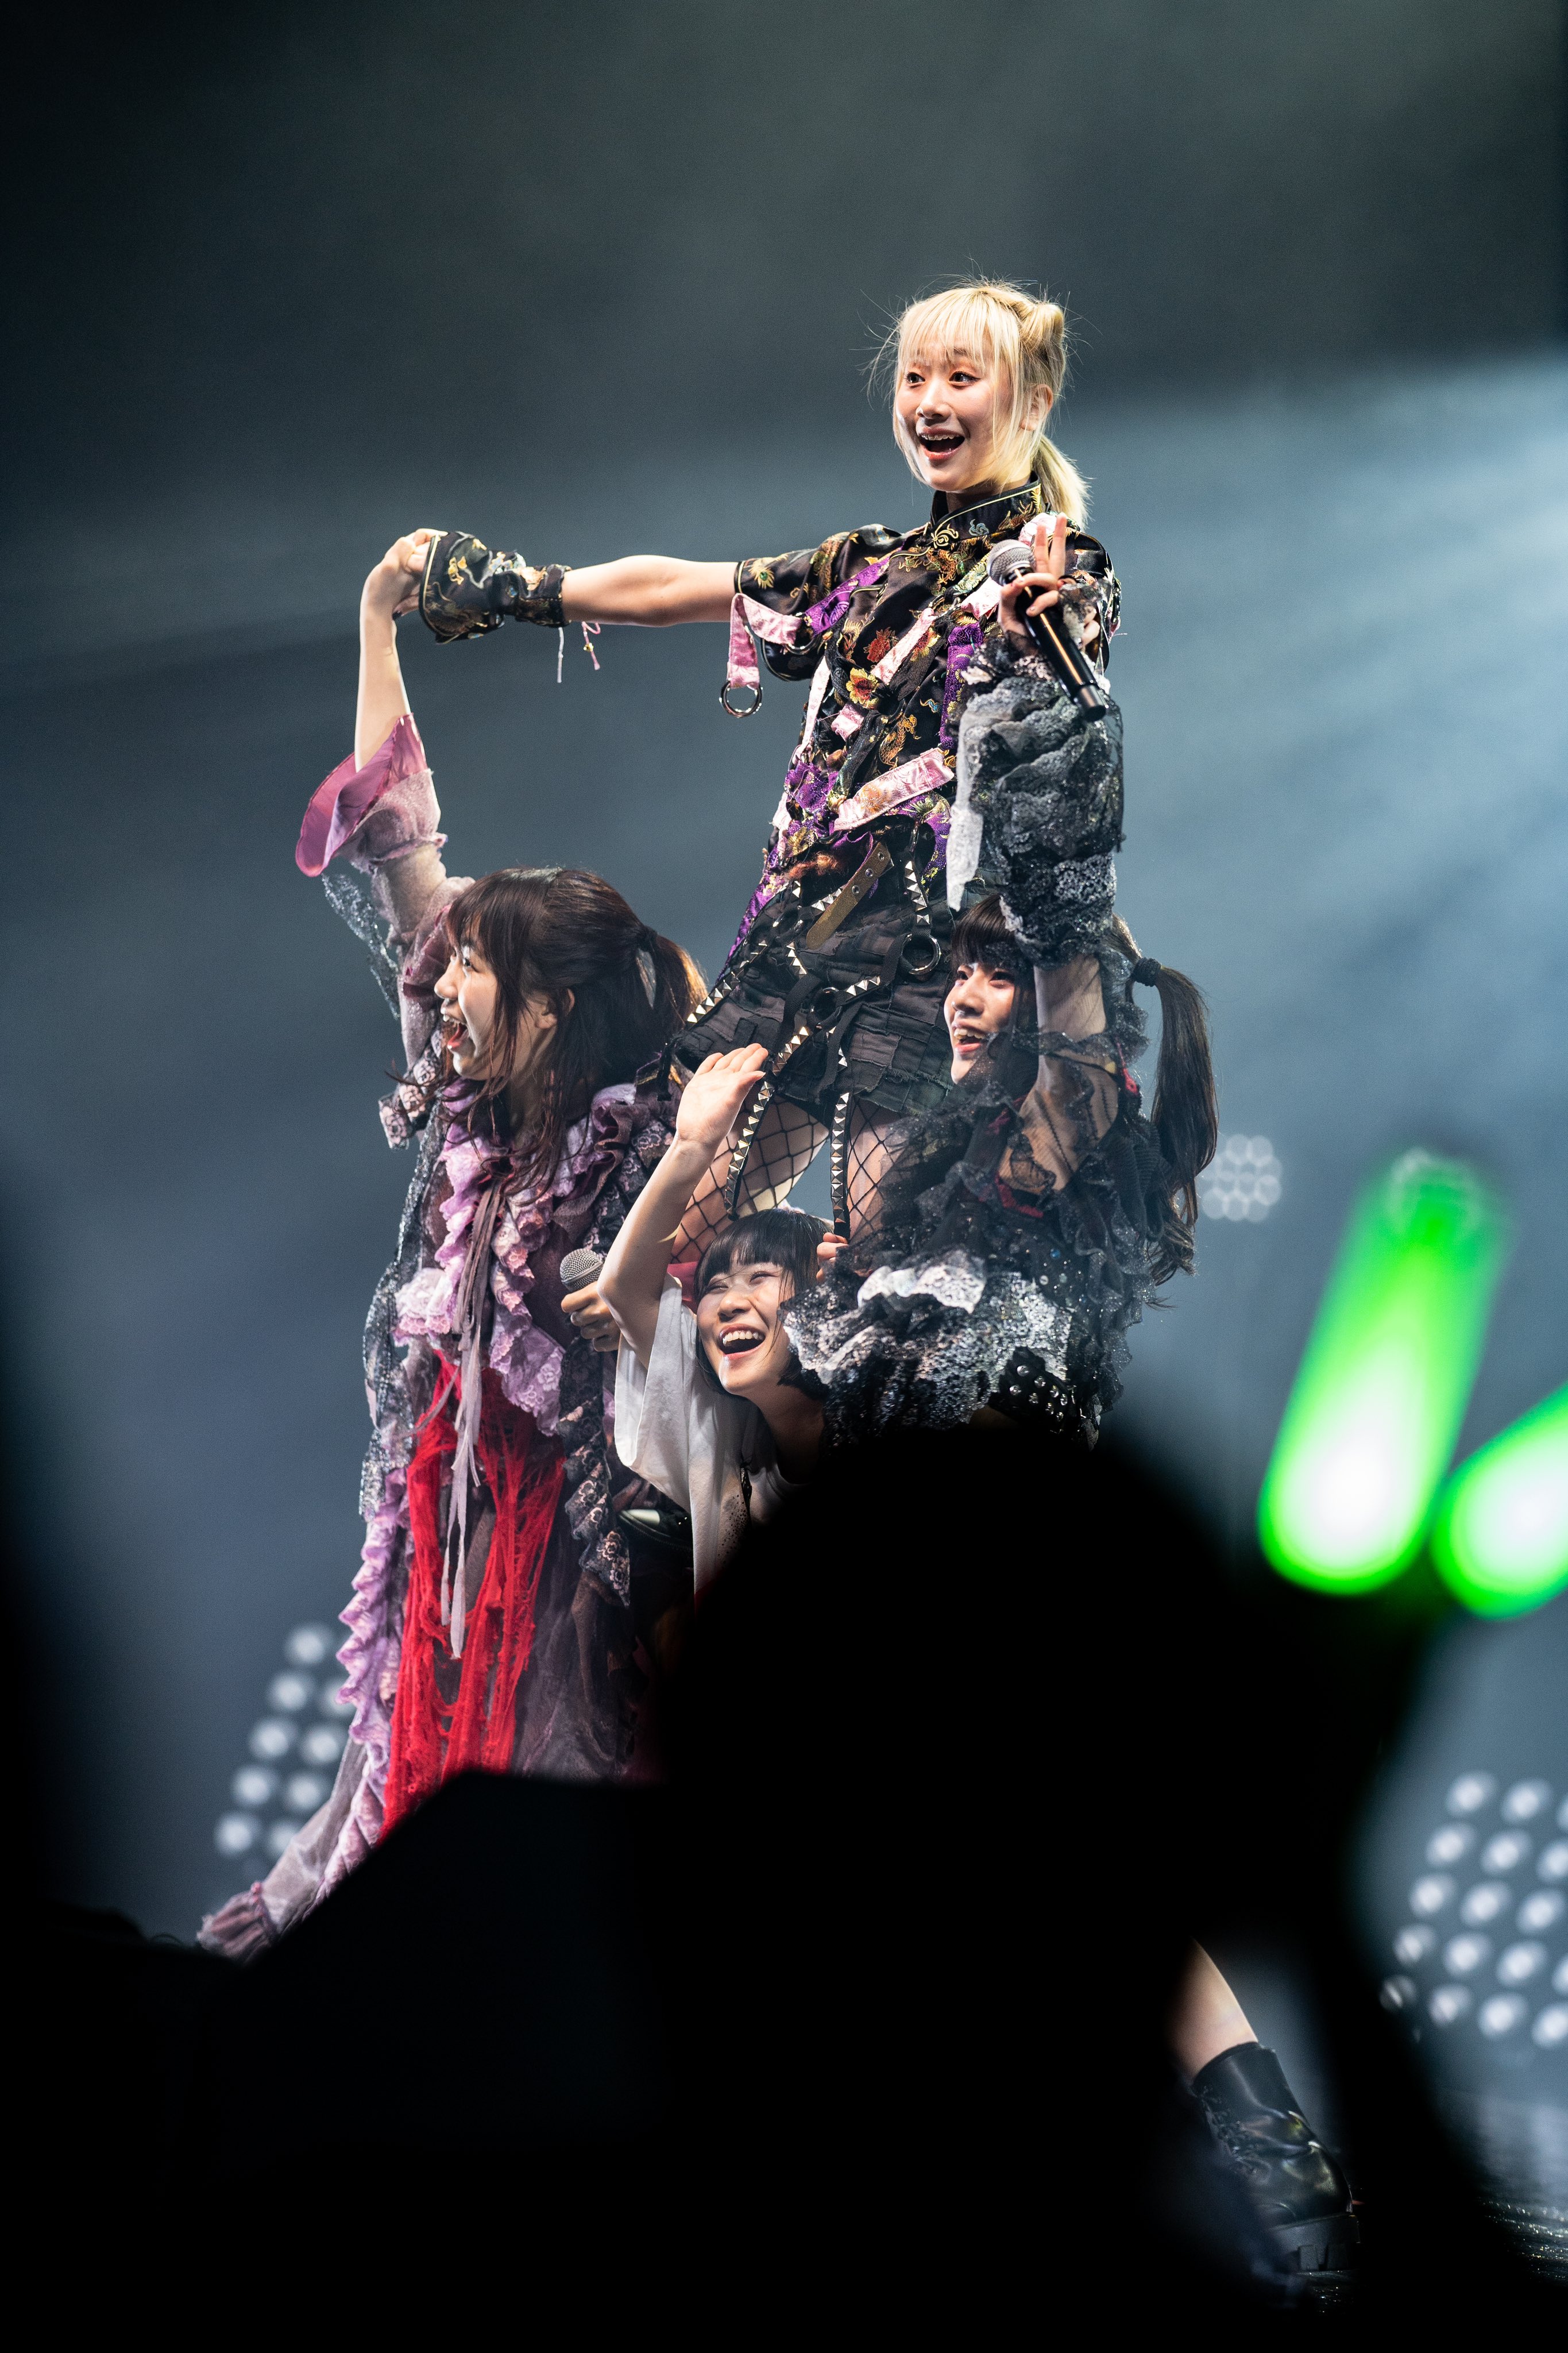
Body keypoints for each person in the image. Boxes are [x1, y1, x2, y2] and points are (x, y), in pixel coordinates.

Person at [200, 534, 702, 1959]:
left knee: (538, 1851)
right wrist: (377, 618)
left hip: (571, 1554)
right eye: (456, 962)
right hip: (449, 1522)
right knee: (400, 1810)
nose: (444, 983)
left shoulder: (644, 1147)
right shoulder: (475, 1110)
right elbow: (397, 839)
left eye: (477, 967)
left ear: (552, 1004)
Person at [405, 278, 1121, 1249]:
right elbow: (673, 587)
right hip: (796, 944)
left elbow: (1072, 683)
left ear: (1033, 402)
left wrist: (1041, 621)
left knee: (882, 1257)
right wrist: (514, 587)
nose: (930, 402)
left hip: (925, 962)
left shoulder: (1060, 563)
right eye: (915, 378)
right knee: (646, 1245)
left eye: (962, 378)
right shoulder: (863, 568)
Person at [600, 1043, 841, 1591]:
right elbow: (624, 1288)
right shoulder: (724, 1443)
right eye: (714, 1287)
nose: (729, 1303)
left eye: (760, 1277)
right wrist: (691, 1146)